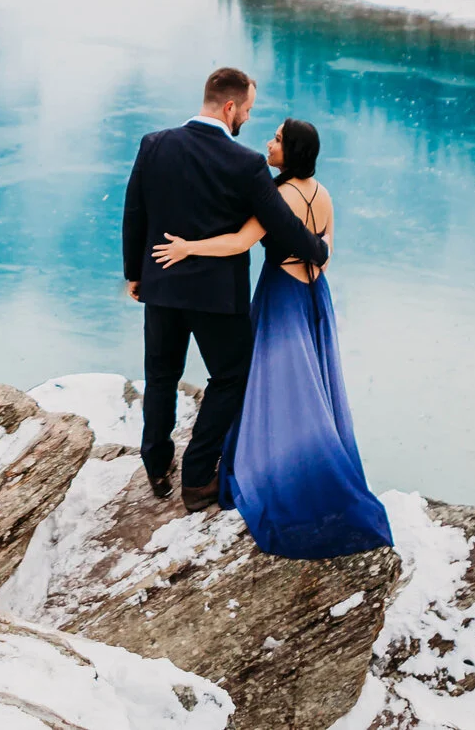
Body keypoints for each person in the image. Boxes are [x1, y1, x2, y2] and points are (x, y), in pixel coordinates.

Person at [152, 117, 392, 558]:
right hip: (314, 294)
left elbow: (240, 242)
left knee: (269, 380)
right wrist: (310, 261)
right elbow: (327, 251)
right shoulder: (323, 194)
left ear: (293, 150)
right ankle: (304, 454)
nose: (270, 142)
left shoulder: (280, 194)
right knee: (308, 384)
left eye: (278, 139)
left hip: (281, 294)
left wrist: (189, 247)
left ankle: (271, 462)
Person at [122, 67, 330, 511]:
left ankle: (157, 466)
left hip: (161, 285)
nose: (249, 120)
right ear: (231, 106)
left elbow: (134, 211)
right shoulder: (245, 163)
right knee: (231, 377)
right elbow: (282, 224)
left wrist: (135, 273)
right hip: (217, 298)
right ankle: (197, 479)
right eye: (249, 110)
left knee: (161, 377)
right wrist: (318, 248)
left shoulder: (154, 144)